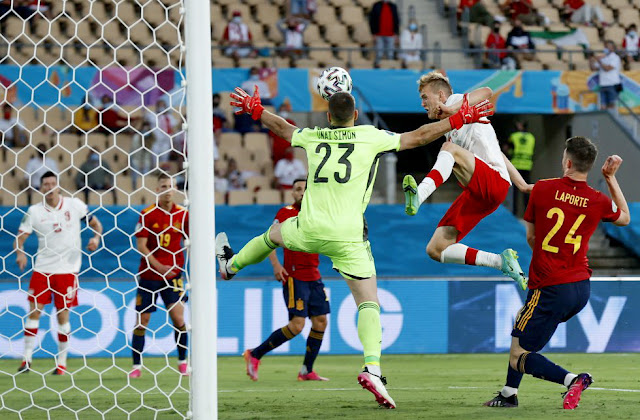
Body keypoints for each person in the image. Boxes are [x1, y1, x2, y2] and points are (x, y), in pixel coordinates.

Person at [220, 85, 494, 409]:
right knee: (368, 302)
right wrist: (459, 118)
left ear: (327, 116)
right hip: (348, 236)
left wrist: (256, 111)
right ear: (355, 115)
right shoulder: (370, 135)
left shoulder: (313, 136)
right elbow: (419, 136)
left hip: (308, 228)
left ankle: (231, 265)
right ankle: (373, 369)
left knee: (274, 233)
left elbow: (283, 128)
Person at [483, 137, 630, 409]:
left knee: (519, 355)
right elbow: (624, 217)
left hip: (549, 285)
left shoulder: (543, 189)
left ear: (567, 162)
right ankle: (508, 393)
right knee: (521, 322)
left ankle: (573, 379)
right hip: (580, 288)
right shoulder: (597, 199)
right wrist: (609, 178)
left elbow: (531, 237)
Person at [402, 71, 529, 290]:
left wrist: (453, 109)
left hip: (492, 183)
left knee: (449, 150)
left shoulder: (456, 102)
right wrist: (523, 185)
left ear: (441, 95)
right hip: (480, 194)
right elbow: (499, 153)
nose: (422, 103)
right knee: (436, 249)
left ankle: (419, 195)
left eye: (425, 97)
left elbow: (487, 91)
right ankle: (501, 261)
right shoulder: (451, 126)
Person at [15, 171, 103, 375]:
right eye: (45, 184)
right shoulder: (34, 211)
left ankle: (61, 364)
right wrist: (20, 253)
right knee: (34, 313)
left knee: (62, 317)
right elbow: (19, 238)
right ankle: (26, 360)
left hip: (67, 271)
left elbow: (96, 224)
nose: (49, 187)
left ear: (59, 186)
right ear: (40, 188)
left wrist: (96, 238)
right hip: (42, 269)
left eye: (53, 183)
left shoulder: (75, 205)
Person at [244, 179, 330, 382]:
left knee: (320, 321)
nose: (301, 192)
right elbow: (267, 240)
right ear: (292, 193)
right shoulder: (286, 213)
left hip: (314, 275)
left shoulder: (318, 212)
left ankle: (306, 370)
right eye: (298, 189)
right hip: (294, 276)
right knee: (297, 325)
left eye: (305, 189)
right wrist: (276, 265)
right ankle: (255, 354)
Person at [129, 173, 189, 378]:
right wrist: (159, 266)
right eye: (163, 186)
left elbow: (190, 242)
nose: (168, 190)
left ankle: (182, 362)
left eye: (171, 186)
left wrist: (187, 269)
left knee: (178, 318)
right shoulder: (147, 214)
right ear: (157, 190)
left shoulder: (182, 214)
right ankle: (136, 366)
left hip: (173, 276)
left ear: (175, 189)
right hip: (149, 276)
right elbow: (141, 246)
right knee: (142, 320)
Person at [507, 120, 535, 215]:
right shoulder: (531, 137)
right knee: (527, 190)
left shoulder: (514, 136)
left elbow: (508, 149)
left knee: (515, 192)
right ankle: (527, 212)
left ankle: (514, 213)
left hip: (516, 166)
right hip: (527, 166)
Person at [589, 40, 622, 110]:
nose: (606, 48)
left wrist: (599, 61)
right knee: (602, 107)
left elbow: (607, 68)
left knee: (611, 105)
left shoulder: (615, 57)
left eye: (608, 47)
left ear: (612, 48)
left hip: (612, 84)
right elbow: (593, 68)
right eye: (605, 47)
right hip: (603, 84)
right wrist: (591, 59)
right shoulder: (603, 58)